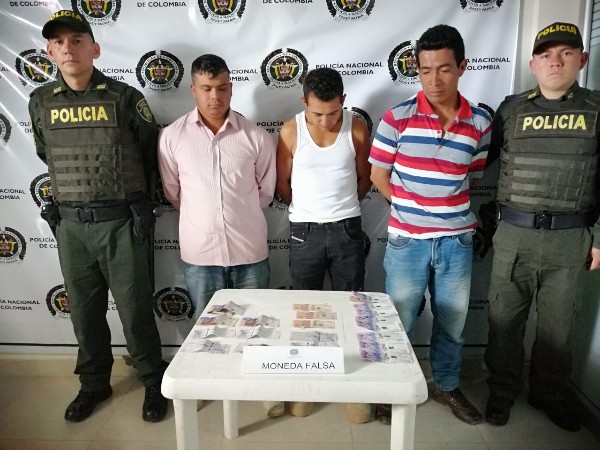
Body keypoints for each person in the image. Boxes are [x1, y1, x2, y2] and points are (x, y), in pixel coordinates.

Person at [29, 10, 168, 422]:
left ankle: (152, 380)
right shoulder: (41, 101)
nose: (68, 48)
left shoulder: (124, 97)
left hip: (121, 223)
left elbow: (150, 152)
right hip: (71, 225)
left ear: (95, 48)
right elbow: (45, 153)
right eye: (59, 42)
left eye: (77, 40)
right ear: (49, 52)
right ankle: (93, 384)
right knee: (84, 313)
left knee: (135, 310)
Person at [369, 24, 491, 425]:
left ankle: (446, 385)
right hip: (408, 241)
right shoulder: (397, 118)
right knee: (399, 321)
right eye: (425, 70)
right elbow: (378, 175)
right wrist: (412, 207)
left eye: (443, 69)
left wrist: (441, 211)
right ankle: (391, 388)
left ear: (462, 67)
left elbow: (471, 174)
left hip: (457, 241)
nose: (434, 80)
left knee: (453, 323)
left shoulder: (480, 122)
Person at [484, 22, 599, 432]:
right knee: (503, 321)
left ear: (582, 60)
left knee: (557, 329)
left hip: (570, 239)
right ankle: (501, 391)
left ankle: (549, 394)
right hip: (515, 235)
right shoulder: (511, 110)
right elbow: (482, 163)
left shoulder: (597, 109)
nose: (556, 61)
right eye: (546, 55)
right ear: (533, 64)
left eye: (566, 53)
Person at [157, 53, 282, 417]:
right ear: (193, 89)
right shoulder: (172, 137)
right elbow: (173, 192)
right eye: (207, 88)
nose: (215, 96)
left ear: (231, 87)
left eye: (222, 87)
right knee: (203, 325)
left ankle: (259, 386)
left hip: (249, 249)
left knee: (256, 321)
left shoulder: (255, 136)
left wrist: (236, 215)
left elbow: (265, 191)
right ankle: (203, 383)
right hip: (200, 251)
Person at [276, 67, 372, 421]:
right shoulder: (290, 131)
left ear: (343, 101)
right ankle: (307, 386)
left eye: (333, 112)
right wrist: (310, 211)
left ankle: (353, 391)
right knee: (307, 312)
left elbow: (365, 178)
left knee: (352, 311)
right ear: (304, 101)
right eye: (317, 113)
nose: (326, 121)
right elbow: (283, 184)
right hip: (305, 232)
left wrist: (340, 210)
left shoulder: (356, 128)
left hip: (347, 228)